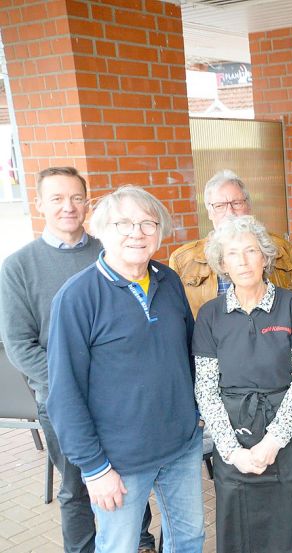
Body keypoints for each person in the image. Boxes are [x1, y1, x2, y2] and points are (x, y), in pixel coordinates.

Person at [0, 167, 154, 553]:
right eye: (56, 198)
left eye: (76, 198)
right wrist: (68, 386)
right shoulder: (18, 266)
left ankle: (141, 542)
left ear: (88, 202)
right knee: (78, 487)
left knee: (131, 478)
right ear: (38, 204)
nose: (68, 207)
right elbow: (19, 343)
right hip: (62, 402)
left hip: (121, 400)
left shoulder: (112, 251)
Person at [46, 186, 204, 553]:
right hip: (119, 459)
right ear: (101, 229)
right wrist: (95, 468)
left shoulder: (169, 280)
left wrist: (195, 414)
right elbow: (65, 392)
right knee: (119, 545)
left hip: (181, 445)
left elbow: (190, 353)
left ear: (159, 233)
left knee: (189, 539)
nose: (137, 232)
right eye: (124, 223)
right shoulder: (77, 297)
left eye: (148, 223)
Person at [192, 215, 292, 553]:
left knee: (290, 523)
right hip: (234, 432)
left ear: (265, 257)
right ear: (222, 263)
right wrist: (233, 452)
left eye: (251, 250)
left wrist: (272, 443)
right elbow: (205, 387)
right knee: (239, 528)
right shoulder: (210, 315)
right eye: (233, 254)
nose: (243, 261)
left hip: (287, 435)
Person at [169, 169, 292, 318]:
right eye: (220, 206)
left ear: (248, 206)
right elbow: (178, 319)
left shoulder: (280, 248)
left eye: (236, 203)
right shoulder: (182, 260)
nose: (230, 212)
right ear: (209, 212)